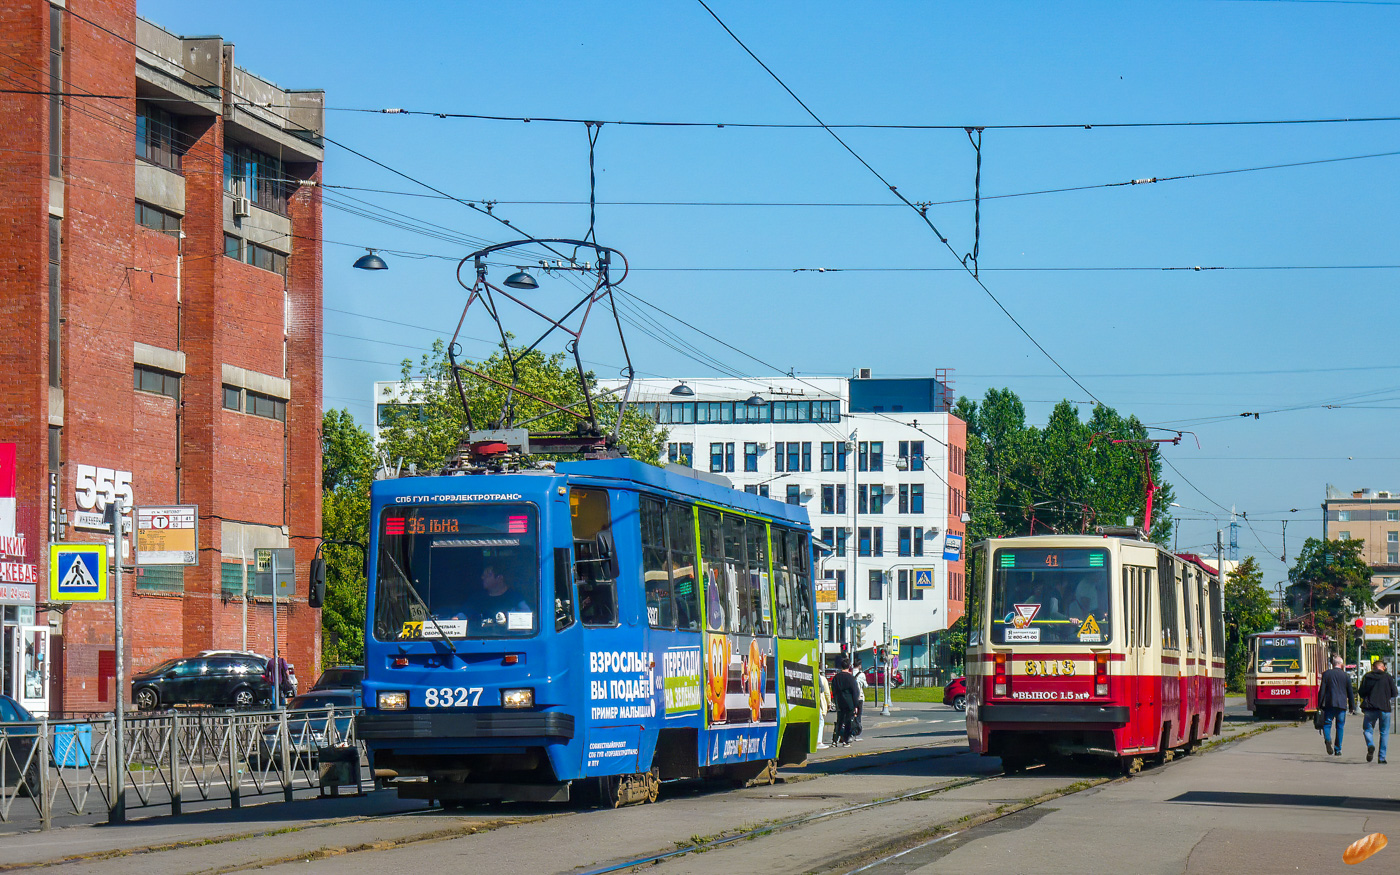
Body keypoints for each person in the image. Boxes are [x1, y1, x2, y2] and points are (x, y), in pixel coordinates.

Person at [1359, 657, 1398, 764]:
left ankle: (1370, 744)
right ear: (1382, 668)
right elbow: (1394, 693)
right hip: (1385, 708)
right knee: (1384, 732)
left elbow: (1361, 692)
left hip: (1370, 708)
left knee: (1367, 729)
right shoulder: (1388, 677)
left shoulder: (1367, 677)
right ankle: (1382, 758)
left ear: (1373, 667)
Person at [1317, 654, 1357, 757]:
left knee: (1327, 724)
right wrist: (1352, 706)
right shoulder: (1345, 676)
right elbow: (1350, 693)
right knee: (1340, 727)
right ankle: (1338, 749)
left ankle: (1327, 739)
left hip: (1329, 704)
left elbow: (1322, 690)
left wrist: (1319, 704)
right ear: (1341, 664)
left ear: (1333, 664)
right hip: (1342, 705)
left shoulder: (1326, 674)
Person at [831, 657, 860, 747]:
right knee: (848, 722)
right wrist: (856, 705)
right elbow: (855, 692)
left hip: (839, 701)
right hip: (849, 702)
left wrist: (835, 700)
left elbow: (833, 689)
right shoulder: (851, 678)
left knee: (839, 721)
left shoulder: (836, 677)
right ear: (849, 666)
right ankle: (845, 740)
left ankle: (835, 740)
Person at [852, 663, 869, 741]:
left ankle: (850, 732)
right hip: (860, 697)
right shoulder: (861, 674)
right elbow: (865, 685)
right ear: (859, 665)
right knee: (858, 715)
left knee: (851, 715)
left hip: (851, 697)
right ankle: (857, 733)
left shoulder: (850, 673)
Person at [817, 670, 832, 749]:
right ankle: (818, 741)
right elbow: (826, 692)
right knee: (820, 721)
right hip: (819, 703)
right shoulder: (822, 679)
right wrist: (829, 703)